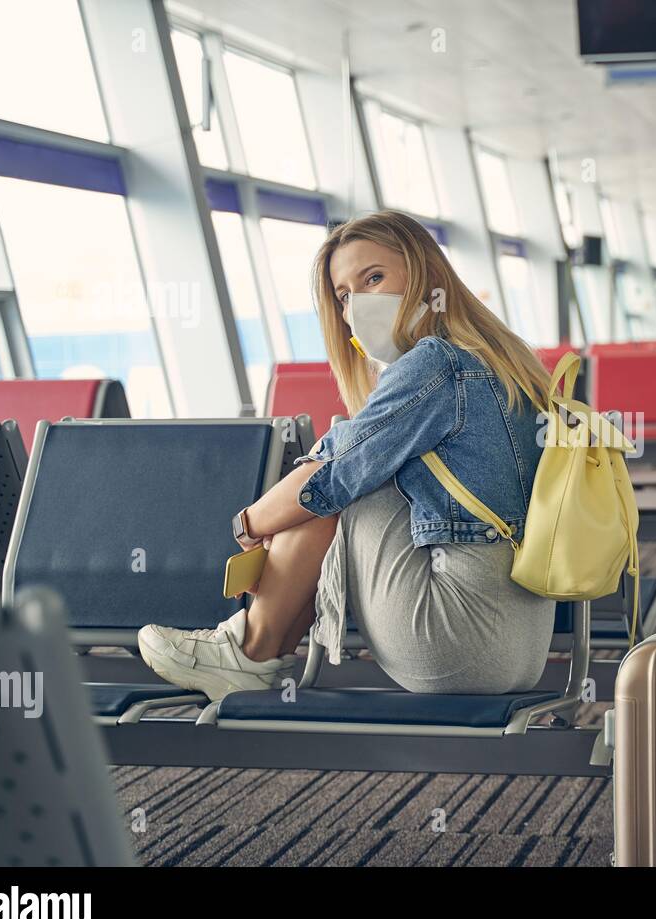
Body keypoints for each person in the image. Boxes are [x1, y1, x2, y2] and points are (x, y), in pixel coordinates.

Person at [138, 211, 555, 700]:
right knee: (340, 468)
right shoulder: (502, 359)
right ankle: (254, 649)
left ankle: (250, 651)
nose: (359, 303)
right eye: (344, 295)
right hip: (523, 645)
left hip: (453, 641)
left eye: (374, 278)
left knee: (331, 481)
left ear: (426, 274)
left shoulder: (437, 362)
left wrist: (249, 525)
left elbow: (331, 481)